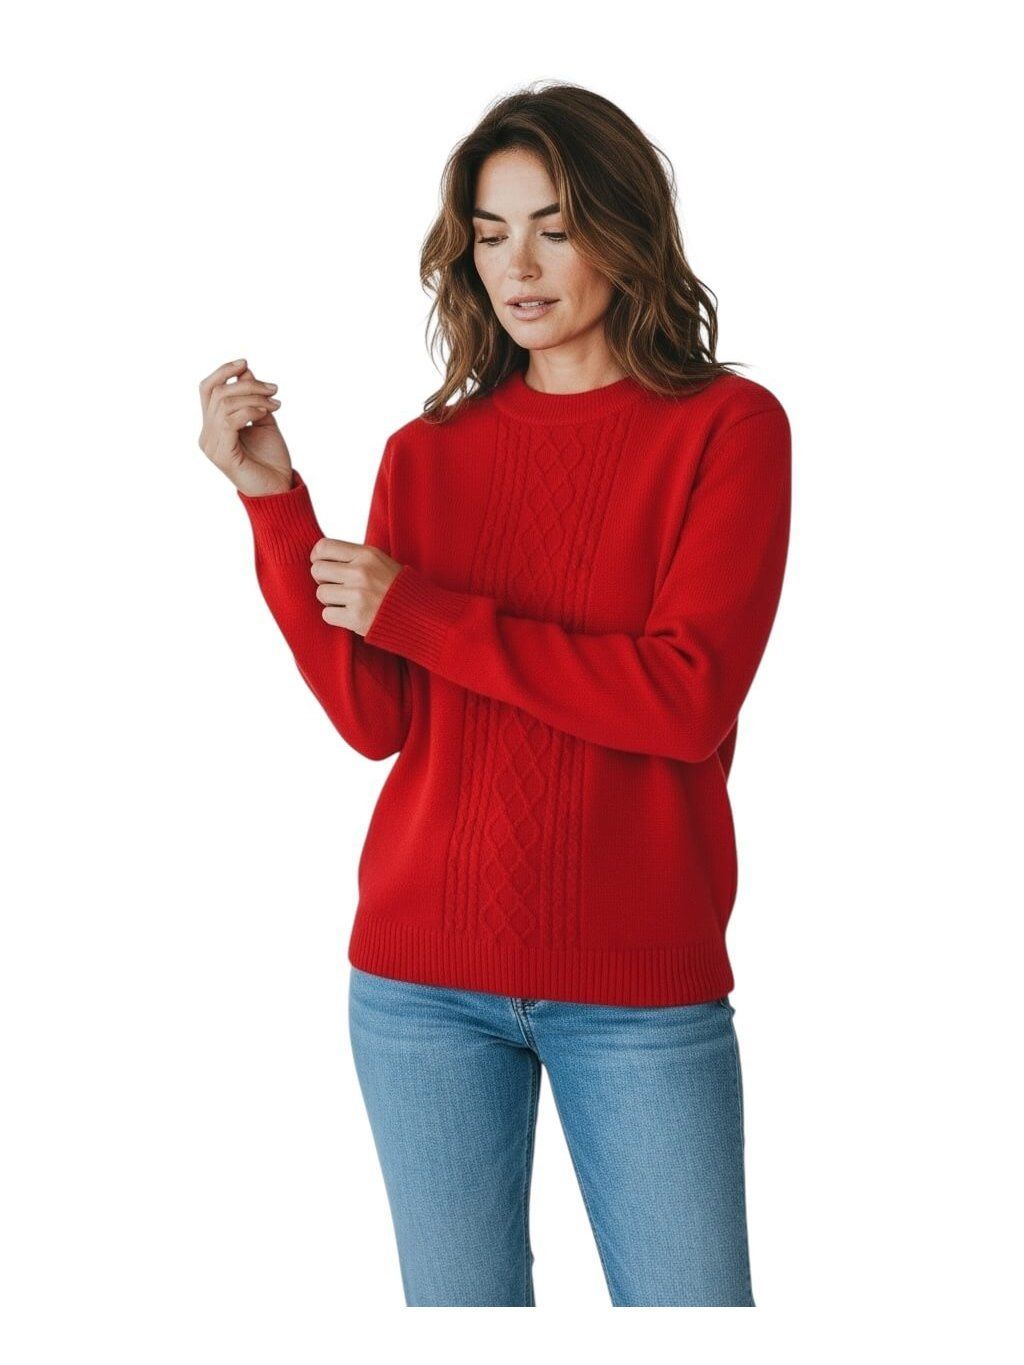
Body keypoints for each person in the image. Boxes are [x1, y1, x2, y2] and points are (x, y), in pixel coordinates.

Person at [197, 81, 790, 1307]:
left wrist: (421, 609)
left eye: (554, 228)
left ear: (624, 232)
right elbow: (377, 720)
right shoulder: (428, 455)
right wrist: (274, 506)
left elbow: (684, 699)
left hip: (639, 984)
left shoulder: (727, 428)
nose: (517, 265)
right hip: (419, 981)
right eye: (488, 231)